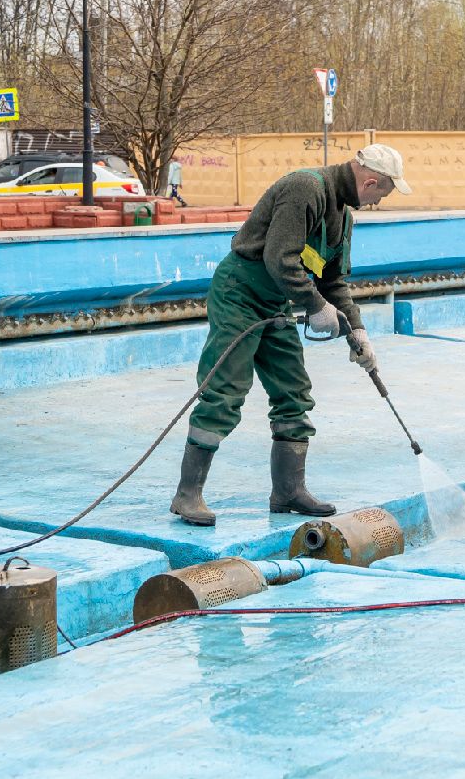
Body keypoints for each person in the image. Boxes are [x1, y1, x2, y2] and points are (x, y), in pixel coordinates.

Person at [169, 143, 413, 526]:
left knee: (293, 392)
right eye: (381, 194)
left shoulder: (341, 217)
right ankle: (188, 495)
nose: (377, 202)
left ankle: (287, 492)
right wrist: (315, 306)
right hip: (240, 293)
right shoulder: (306, 188)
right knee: (226, 390)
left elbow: (333, 279)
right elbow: (278, 258)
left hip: (276, 302)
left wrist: (358, 331)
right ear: (370, 181)